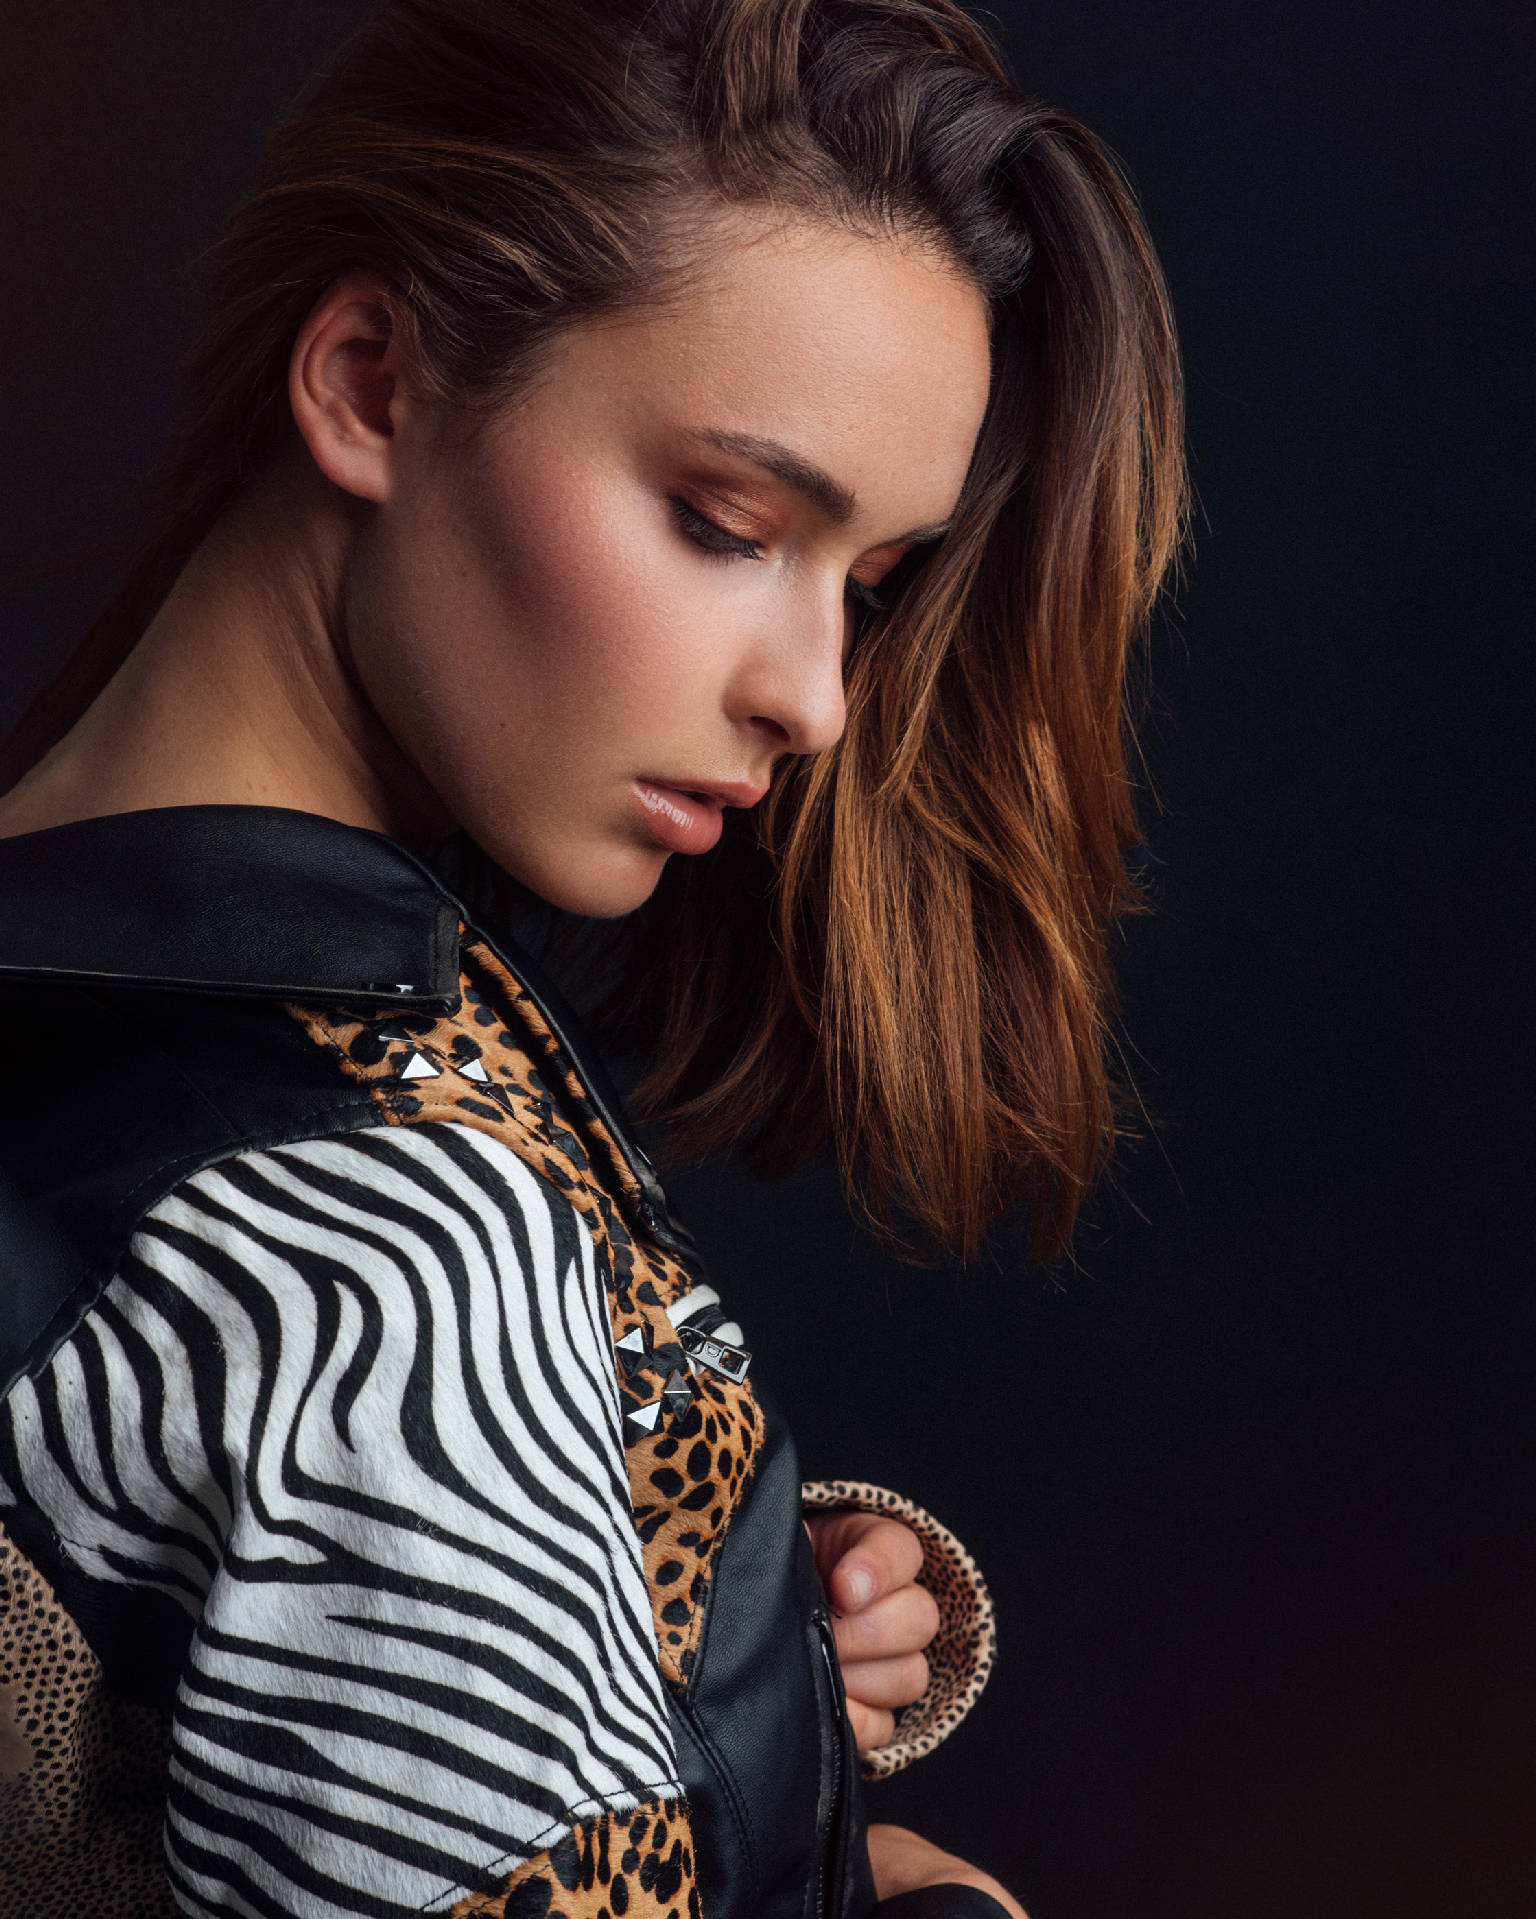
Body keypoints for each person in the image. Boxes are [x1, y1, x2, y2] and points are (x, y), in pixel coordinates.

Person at [0, 1, 1183, 1914]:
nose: (817, 700)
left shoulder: (144, 1032)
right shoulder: (392, 1259)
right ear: (372, 382)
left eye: (869, 587)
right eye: (727, 523)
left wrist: (716, 1643)